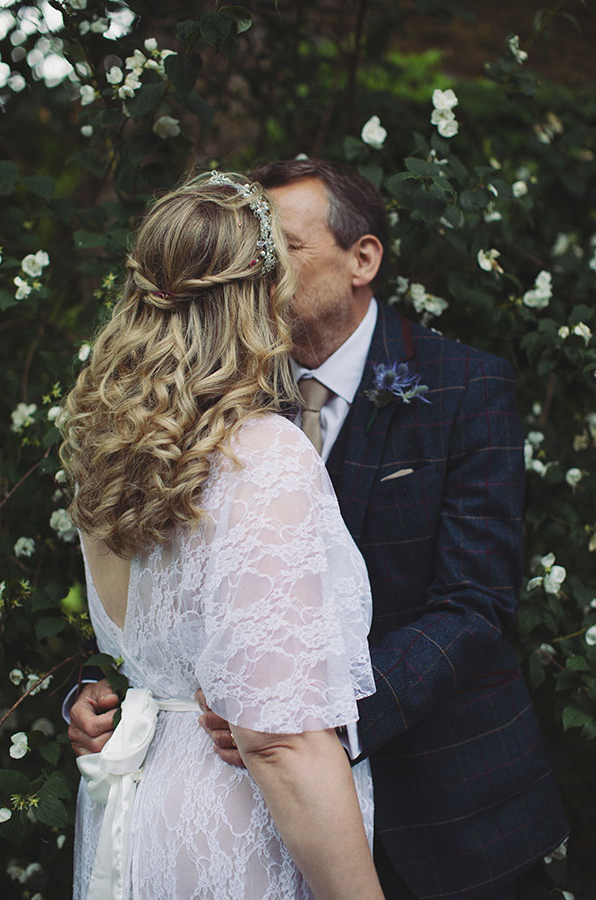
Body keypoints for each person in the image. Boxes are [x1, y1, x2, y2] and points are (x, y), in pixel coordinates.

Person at [69, 160, 569, 900]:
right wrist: (103, 691)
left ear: (362, 257)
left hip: (444, 807)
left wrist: (321, 712)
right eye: (265, 254)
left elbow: (475, 601)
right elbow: (176, 616)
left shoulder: (465, 385)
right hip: (255, 807)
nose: (276, 268)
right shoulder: (223, 419)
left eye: (287, 245)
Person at [61, 170, 385, 900]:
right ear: (263, 296)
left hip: (140, 803)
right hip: (231, 824)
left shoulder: (109, 445)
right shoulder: (260, 454)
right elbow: (280, 741)